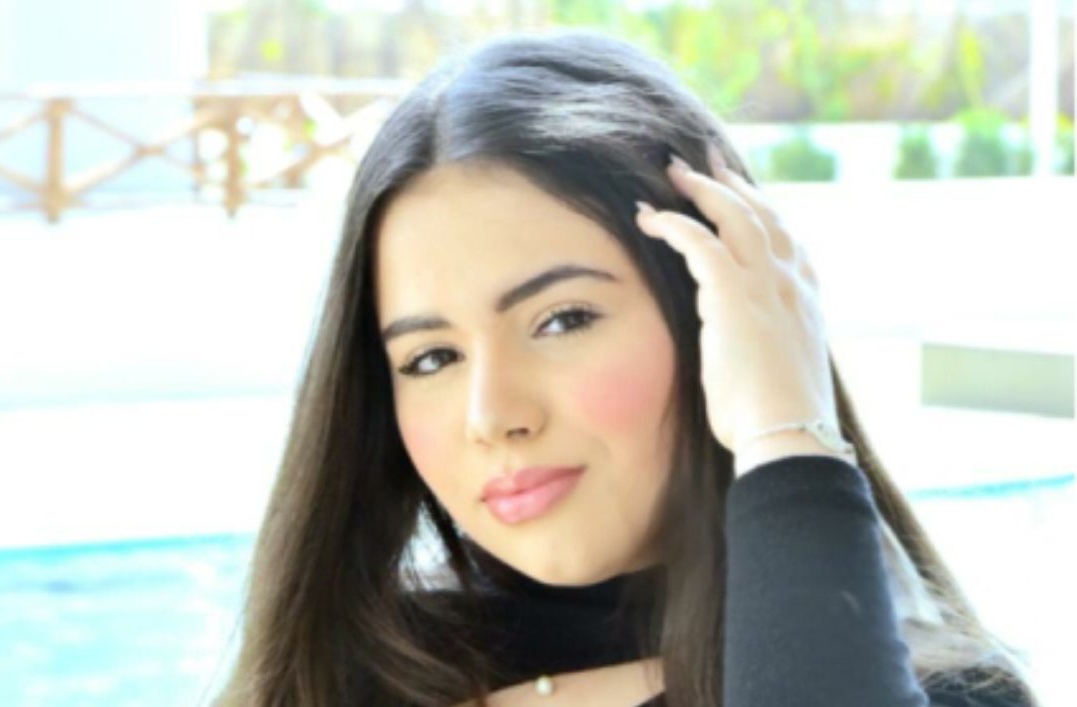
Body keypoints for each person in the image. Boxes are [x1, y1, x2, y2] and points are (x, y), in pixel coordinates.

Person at [214, 29, 1041, 707]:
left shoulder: (941, 693)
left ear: (716, 319)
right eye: (432, 357)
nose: (491, 413)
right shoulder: (332, 680)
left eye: (562, 319)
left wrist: (785, 429)